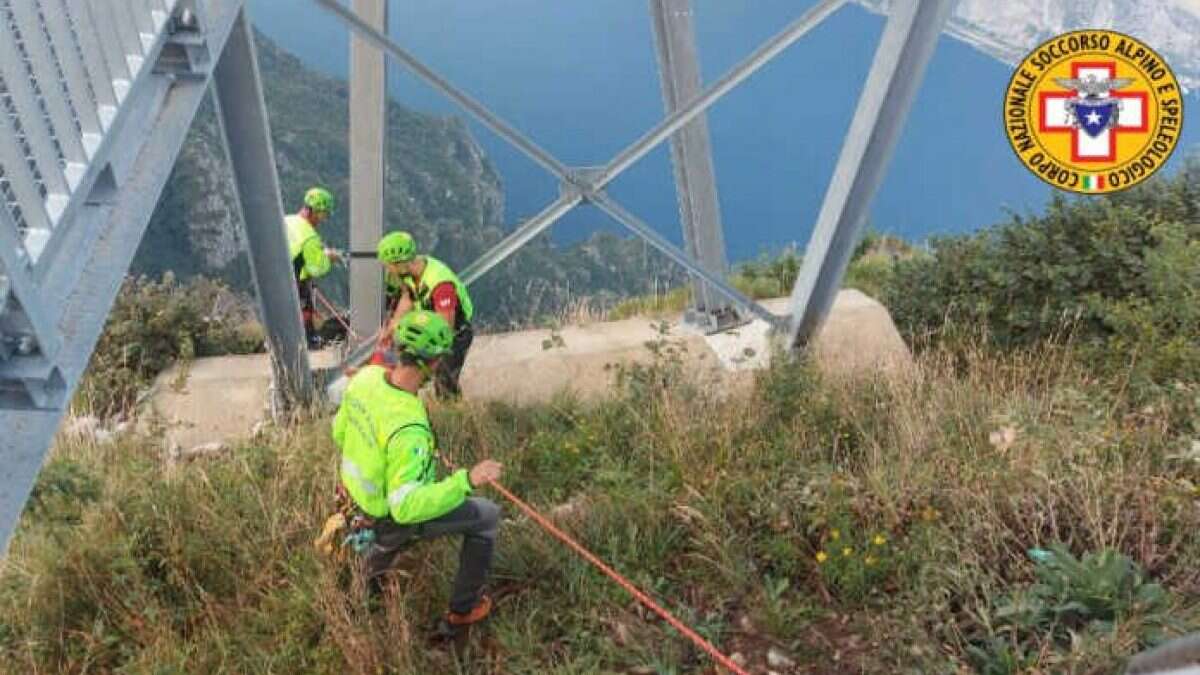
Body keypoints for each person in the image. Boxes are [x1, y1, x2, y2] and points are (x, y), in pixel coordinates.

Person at [332, 309, 503, 631]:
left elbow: (339, 433)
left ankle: (365, 595)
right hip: (388, 514)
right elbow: (406, 507)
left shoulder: (366, 378)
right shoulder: (410, 428)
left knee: (379, 553)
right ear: (435, 363)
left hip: (352, 498)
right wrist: (466, 480)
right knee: (487, 517)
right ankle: (463, 610)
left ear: (398, 348)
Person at [373, 231, 475, 399]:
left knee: (444, 380)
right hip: (430, 328)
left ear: (400, 262)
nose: (388, 270)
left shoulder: (441, 285)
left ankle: (452, 412)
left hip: (454, 334)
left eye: (389, 265)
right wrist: (391, 328)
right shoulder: (409, 272)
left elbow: (445, 326)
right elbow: (408, 298)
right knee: (410, 369)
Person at [286, 186, 342, 348]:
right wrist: (329, 258)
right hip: (295, 283)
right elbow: (316, 268)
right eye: (323, 214)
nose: (323, 219)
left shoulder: (286, 220)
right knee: (304, 321)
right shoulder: (309, 235)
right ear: (315, 211)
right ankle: (307, 347)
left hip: (275, 279)